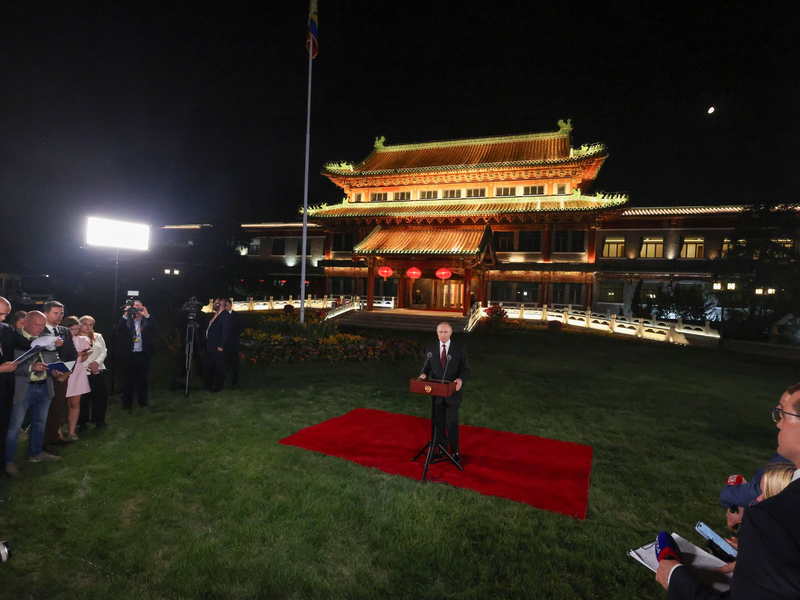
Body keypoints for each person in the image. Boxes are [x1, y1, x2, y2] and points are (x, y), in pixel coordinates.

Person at [656, 382, 800, 599]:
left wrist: (675, 578)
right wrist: (757, 557)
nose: (778, 425)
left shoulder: (771, 519)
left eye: (784, 415)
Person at [5, 311, 68, 478]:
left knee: (40, 423)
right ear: (25, 323)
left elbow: (53, 357)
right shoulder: (12, 338)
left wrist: (56, 368)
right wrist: (31, 368)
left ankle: (36, 453)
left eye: (43, 325)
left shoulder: (47, 338)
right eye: (37, 325)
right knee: (14, 427)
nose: (41, 329)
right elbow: (7, 367)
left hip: (44, 386)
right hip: (23, 388)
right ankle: (8, 461)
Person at [418, 322, 470, 464]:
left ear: (451, 332)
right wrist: (423, 374)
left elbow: (466, 369)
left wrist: (460, 380)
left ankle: (455, 451)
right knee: (438, 422)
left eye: (445, 332)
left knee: (451, 422)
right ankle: (440, 447)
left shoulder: (459, 349)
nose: (442, 335)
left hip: (453, 393)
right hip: (437, 392)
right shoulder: (432, 348)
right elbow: (427, 366)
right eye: (440, 332)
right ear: (437, 333)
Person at [41, 301, 82, 448]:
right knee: (43, 410)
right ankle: (42, 442)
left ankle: (54, 437)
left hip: (62, 377)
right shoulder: (39, 330)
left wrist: (66, 373)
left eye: (61, 313)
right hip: (43, 376)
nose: (59, 316)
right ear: (46, 313)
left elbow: (72, 354)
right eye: (56, 313)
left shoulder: (64, 331)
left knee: (58, 408)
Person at [1, 297, 27, 471]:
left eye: (6, 314)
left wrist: (43, 343)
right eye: (0, 313)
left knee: (3, 426)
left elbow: (24, 344)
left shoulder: (5, 328)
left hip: (4, 388)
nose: (3, 318)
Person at [117, 300, 157, 413]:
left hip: (143, 354)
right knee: (128, 380)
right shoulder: (127, 321)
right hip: (129, 354)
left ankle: (143, 401)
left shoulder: (146, 321)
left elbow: (156, 329)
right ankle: (127, 402)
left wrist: (147, 315)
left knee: (143, 379)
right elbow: (119, 330)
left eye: (139, 308)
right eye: (134, 308)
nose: (137, 311)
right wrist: (126, 313)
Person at [61, 316, 91, 440]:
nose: (75, 332)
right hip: (64, 371)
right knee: (59, 403)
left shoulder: (83, 340)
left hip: (77, 372)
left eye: (76, 329)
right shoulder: (61, 340)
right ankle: (57, 432)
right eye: (72, 329)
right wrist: (74, 354)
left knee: (74, 403)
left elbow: (83, 359)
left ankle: (72, 431)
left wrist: (84, 354)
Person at [76, 315, 108, 430]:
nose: (88, 327)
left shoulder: (98, 336)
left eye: (90, 325)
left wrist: (97, 363)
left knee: (100, 396)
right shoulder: (75, 338)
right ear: (80, 325)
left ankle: (99, 420)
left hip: (97, 370)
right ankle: (82, 423)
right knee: (83, 399)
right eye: (85, 324)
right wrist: (87, 365)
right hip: (82, 371)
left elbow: (104, 350)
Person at [203, 298, 231, 392]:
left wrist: (221, 346)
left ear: (219, 305)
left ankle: (218, 387)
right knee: (209, 366)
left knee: (219, 367)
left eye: (215, 303)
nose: (214, 305)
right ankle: (208, 385)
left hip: (217, 347)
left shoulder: (225, 316)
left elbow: (225, 332)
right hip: (210, 346)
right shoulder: (217, 314)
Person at [224, 299, 243, 387]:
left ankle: (235, 380)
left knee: (234, 361)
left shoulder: (237, 316)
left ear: (231, 305)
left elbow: (241, 328)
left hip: (233, 342)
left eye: (227, 305)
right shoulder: (221, 316)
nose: (225, 307)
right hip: (224, 343)